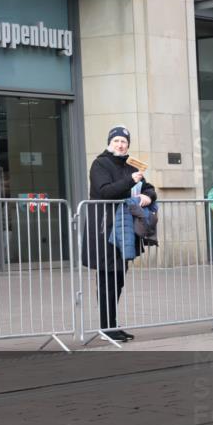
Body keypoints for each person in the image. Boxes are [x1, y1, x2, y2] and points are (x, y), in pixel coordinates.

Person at [81, 126, 156, 342]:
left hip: (125, 229)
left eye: (124, 142)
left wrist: (148, 197)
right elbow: (105, 191)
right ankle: (106, 328)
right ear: (109, 143)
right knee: (107, 279)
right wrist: (131, 181)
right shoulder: (100, 164)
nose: (120, 145)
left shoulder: (131, 165)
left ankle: (112, 324)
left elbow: (149, 188)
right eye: (116, 141)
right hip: (105, 228)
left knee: (118, 279)